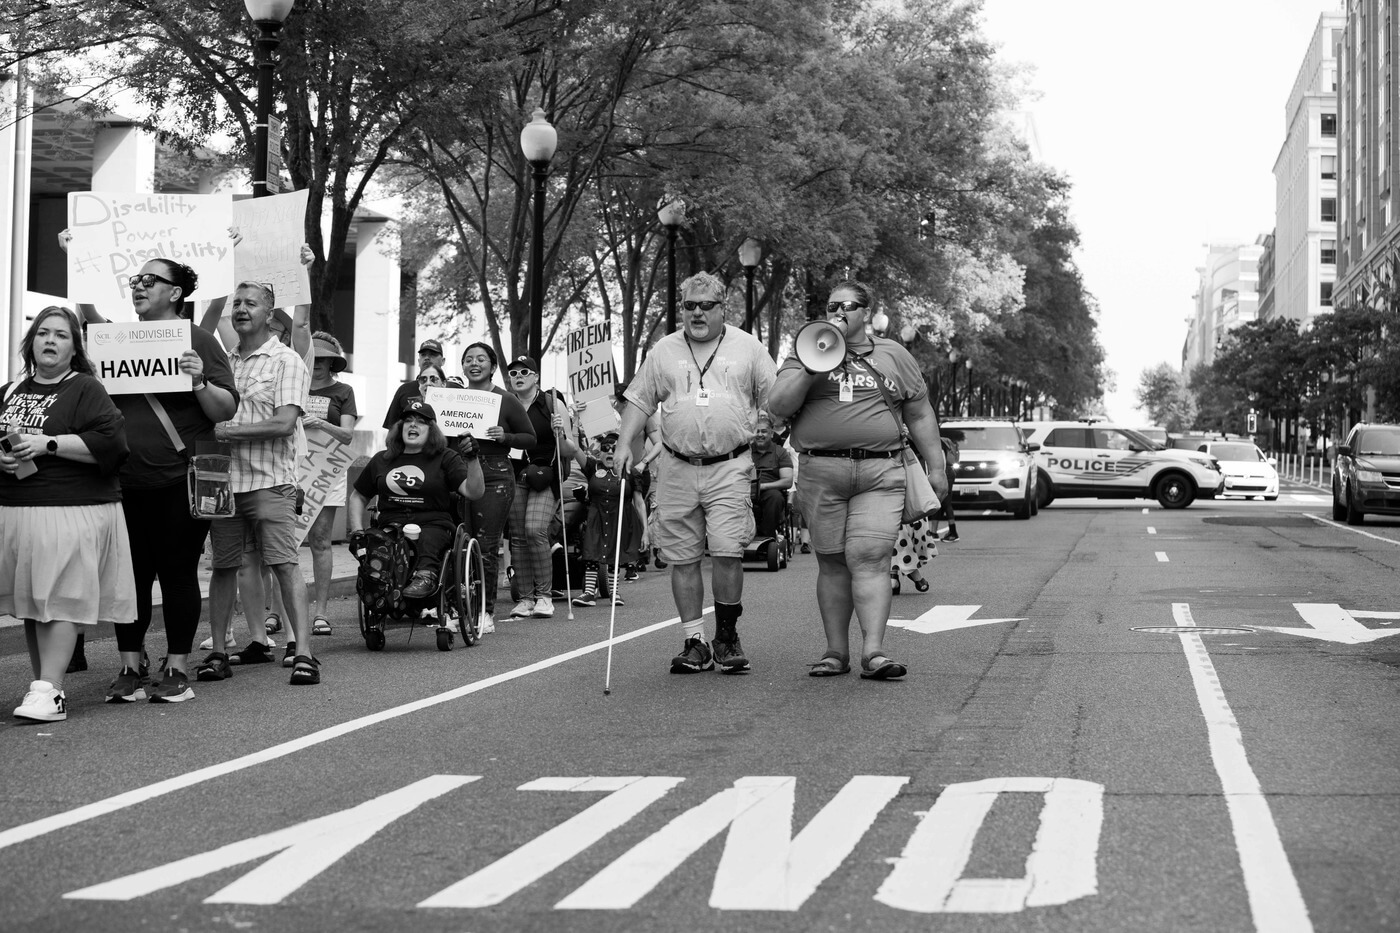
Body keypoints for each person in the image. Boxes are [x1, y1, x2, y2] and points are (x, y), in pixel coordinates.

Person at [768, 280, 949, 681]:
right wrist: (815, 363)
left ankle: (874, 652)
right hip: (821, 471)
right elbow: (778, 406)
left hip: (880, 471)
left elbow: (919, 414)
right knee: (832, 562)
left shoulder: (893, 355)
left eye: (848, 305)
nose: (838, 312)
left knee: (870, 558)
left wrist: (937, 467)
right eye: (832, 305)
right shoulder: (805, 349)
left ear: (867, 312)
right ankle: (836, 652)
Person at [616, 271, 777, 674]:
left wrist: (780, 426)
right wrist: (623, 443)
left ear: (724, 308)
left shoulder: (749, 348)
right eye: (690, 306)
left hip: (730, 466)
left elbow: (776, 397)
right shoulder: (663, 350)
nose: (698, 313)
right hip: (676, 466)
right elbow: (638, 400)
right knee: (683, 558)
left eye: (707, 305)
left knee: (727, 551)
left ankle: (726, 637)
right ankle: (694, 641)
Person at [103, 260, 240, 702]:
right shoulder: (117, 338)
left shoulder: (199, 339)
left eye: (150, 280)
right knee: (132, 577)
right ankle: (130, 666)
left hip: (182, 478)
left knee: (177, 573)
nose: (138, 287)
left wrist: (199, 379)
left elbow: (225, 410)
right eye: (135, 281)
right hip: (125, 481)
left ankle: (177, 668)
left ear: (176, 293)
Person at [1, 306, 135, 721]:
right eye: (43, 333)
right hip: (19, 511)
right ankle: (43, 685)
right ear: (31, 341)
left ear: (75, 346)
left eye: (61, 334)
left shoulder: (85, 388)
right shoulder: (10, 390)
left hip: (70, 509)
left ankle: (51, 690)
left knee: (56, 598)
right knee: (32, 601)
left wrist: (49, 444)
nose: (50, 340)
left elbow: (112, 444)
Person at [199, 282, 319, 685]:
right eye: (236, 303)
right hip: (221, 481)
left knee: (284, 565)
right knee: (223, 568)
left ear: (269, 313)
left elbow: (285, 423)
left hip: (270, 482)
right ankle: (218, 651)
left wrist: (229, 432)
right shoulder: (222, 361)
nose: (241, 309)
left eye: (251, 303)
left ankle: (302, 652)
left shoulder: (286, 361)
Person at [348, 399, 484, 596]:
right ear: (400, 427)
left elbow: (474, 492)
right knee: (378, 543)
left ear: (431, 430)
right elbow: (358, 496)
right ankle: (376, 587)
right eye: (408, 420)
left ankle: (426, 576)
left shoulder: (446, 457)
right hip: (391, 525)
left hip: (433, 523)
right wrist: (357, 532)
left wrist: (472, 459)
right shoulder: (381, 459)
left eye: (421, 421)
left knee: (429, 538)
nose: (413, 424)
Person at [458, 342, 535, 626]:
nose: (474, 363)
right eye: (468, 359)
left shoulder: (506, 399)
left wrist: (506, 437)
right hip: (457, 472)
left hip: (495, 475)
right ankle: (457, 609)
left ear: (492, 366)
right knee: (456, 544)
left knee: (486, 545)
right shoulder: (454, 399)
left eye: (481, 359)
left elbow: (530, 438)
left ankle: (484, 612)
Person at [505, 355, 577, 619]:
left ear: (535, 377)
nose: (519, 376)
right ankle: (525, 599)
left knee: (535, 530)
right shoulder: (506, 404)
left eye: (525, 371)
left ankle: (544, 597)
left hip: (544, 477)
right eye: (513, 373)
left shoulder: (552, 404)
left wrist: (560, 434)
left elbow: (570, 449)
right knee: (518, 538)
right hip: (513, 477)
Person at [304, 332, 359, 634]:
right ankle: (276, 613)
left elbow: (348, 434)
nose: (319, 365)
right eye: (315, 358)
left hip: (327, 470)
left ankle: (321, 612)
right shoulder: (292, 383)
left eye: (326, 360)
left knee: (321, 540)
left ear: (333, 363)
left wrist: (320, 423)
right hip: (292, 468)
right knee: (282, 543)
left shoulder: (344, 390)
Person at [569, 431, 643, 606]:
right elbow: (574, 448)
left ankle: (614, 593)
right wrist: (575, 425)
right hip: (596, 518)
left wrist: (646, 532)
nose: (610, 451)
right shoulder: (593, 467)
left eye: (614, 448)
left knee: (614, 554)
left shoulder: (629, 471)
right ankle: (588, 593)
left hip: (619, 518)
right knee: (591, 552)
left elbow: (639, 503)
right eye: (605, 448)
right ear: (600, 452)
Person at [382, 339, 459, 429]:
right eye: (423, 355)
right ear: (418, 361)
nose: (427, 358)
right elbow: (392, 429)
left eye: (432, 355)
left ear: (443, 361)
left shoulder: (455, 390)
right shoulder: (404, 390)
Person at [750, 413, 793, 540]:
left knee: (775, 498)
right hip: (746, 489)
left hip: (769, 490)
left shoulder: (780, 452)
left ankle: (766, 537)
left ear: (771, 434)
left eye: (764, 431)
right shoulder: (746, 451)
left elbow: (787, 481)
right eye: (757, 431)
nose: (760, 435)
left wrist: (762, 486)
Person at [935, 430, 962, 541]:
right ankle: (934, 532)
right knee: (943, 502)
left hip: (943, 472)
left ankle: (952, 532)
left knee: (944, 502)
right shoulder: (949, 442)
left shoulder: (938, 443)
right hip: (950, 472)